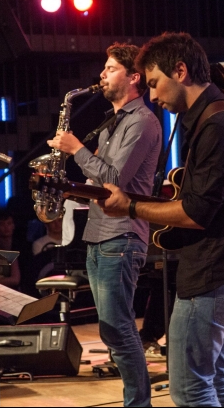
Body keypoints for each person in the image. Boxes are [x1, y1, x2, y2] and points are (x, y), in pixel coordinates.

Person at [96, 31, 224, 407]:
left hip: (215, 273)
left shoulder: (217, 125)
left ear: (180, 71)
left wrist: (129, 207)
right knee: (219, 379)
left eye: (154, 83)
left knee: (191, 389)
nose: (152, 95)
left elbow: (195, 212)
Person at [47, 43, 162, 407]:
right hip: (99, 234)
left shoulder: (142, 121)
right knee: (112, 330)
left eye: (111, 68)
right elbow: (101, 184)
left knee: (119, 329)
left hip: (121, 237)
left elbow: (114, 180)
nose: (102, 74)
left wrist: (76, 149)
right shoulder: (114, 122)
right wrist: (67, 188)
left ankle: (138, 403)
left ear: (134, 77)